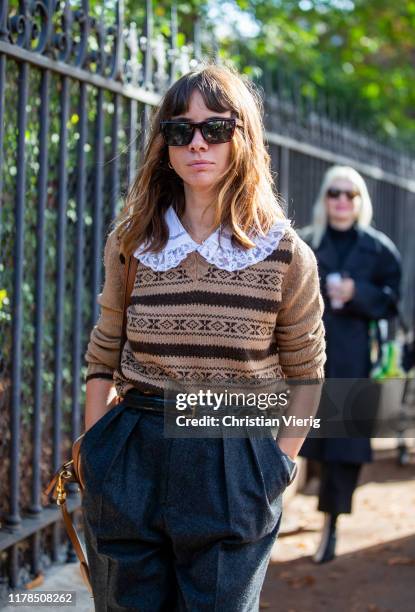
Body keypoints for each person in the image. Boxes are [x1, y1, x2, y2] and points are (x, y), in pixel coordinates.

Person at [81, 64, 326, 611]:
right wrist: (92, 454)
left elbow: (307, 373)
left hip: (233, 452)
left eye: (216, 128)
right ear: (164, 143)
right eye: (180, 129)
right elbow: (103, 353)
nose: (197, 142)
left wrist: (275, 467)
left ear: (244, 138)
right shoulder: (132, 244)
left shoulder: (285, 254)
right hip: (131, 451)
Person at [299, 165, 402, 564]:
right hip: (305, 359)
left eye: (350, 194)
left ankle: (332, 523)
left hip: (355, 357)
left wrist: (360, 293)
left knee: (344, 445)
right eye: (334, 193)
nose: (342, 201)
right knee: (302, 435)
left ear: (360, 201)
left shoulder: (377, 248)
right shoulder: (306, 243)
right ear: (324, 198)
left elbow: (393, 298)